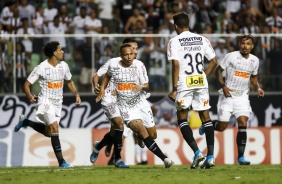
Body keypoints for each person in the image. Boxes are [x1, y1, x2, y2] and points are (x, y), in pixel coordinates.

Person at [96, 43, 174, 168]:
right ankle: (165, 159)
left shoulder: (139, 65)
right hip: (126, 108)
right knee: (143, 133)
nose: (129, 57)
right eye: (126, 55)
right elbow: (107, 76)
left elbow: (146, 85)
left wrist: (141, 86)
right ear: (121, 56)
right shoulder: (114, 65)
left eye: (131, 54)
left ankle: (138, 136)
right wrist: (102, 90)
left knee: (153, 135)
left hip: (141, 104)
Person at [199, 34, 265, 165]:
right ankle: (208, 125)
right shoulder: (231, 56)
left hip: (242, 96)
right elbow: (218, 71)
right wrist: (223, 86)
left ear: (252, 46)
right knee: (222, 127)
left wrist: (257, 87)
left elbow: (253, 77)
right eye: (242, 43)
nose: (245, 46)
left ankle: (240, 157)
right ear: (239, 44)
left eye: (248, 44)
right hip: (228, 95)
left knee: (242, 122)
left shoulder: (255, 60)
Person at [14, 41, 81, 168]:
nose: (63, 51)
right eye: (60, 49)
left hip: (57, 103)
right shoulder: (41, 67)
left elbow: (69, 81)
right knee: (55, 127)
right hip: (45, 101)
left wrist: (77, 95)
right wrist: (29, 96)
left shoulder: (64, 66)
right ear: (54, 53)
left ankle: (26, 122)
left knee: (49, 132)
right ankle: (62, 162)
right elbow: (27, 84)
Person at [167, 12, 217, 169]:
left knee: (182, 118)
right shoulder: (202, 39)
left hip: (184, 84)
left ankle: (197, 153)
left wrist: (174, 88)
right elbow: (214, 61)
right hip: (200, 82)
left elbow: (176, 65)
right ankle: (210, 157)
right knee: (205, 117)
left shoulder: (174, 41)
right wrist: (203, 76)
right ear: (188, 24)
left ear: (176, 26)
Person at [90, 38, 148, 167]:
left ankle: (99, 146)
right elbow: (97, 75)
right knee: (119, 127)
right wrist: (97, 86)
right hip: (110, 99)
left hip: (126, 100)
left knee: (115, 132)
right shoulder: (113, 62)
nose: (134, 51)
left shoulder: (138, 64)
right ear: (124, 49)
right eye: (132, 48)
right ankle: (117, 158)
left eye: (136, 49)